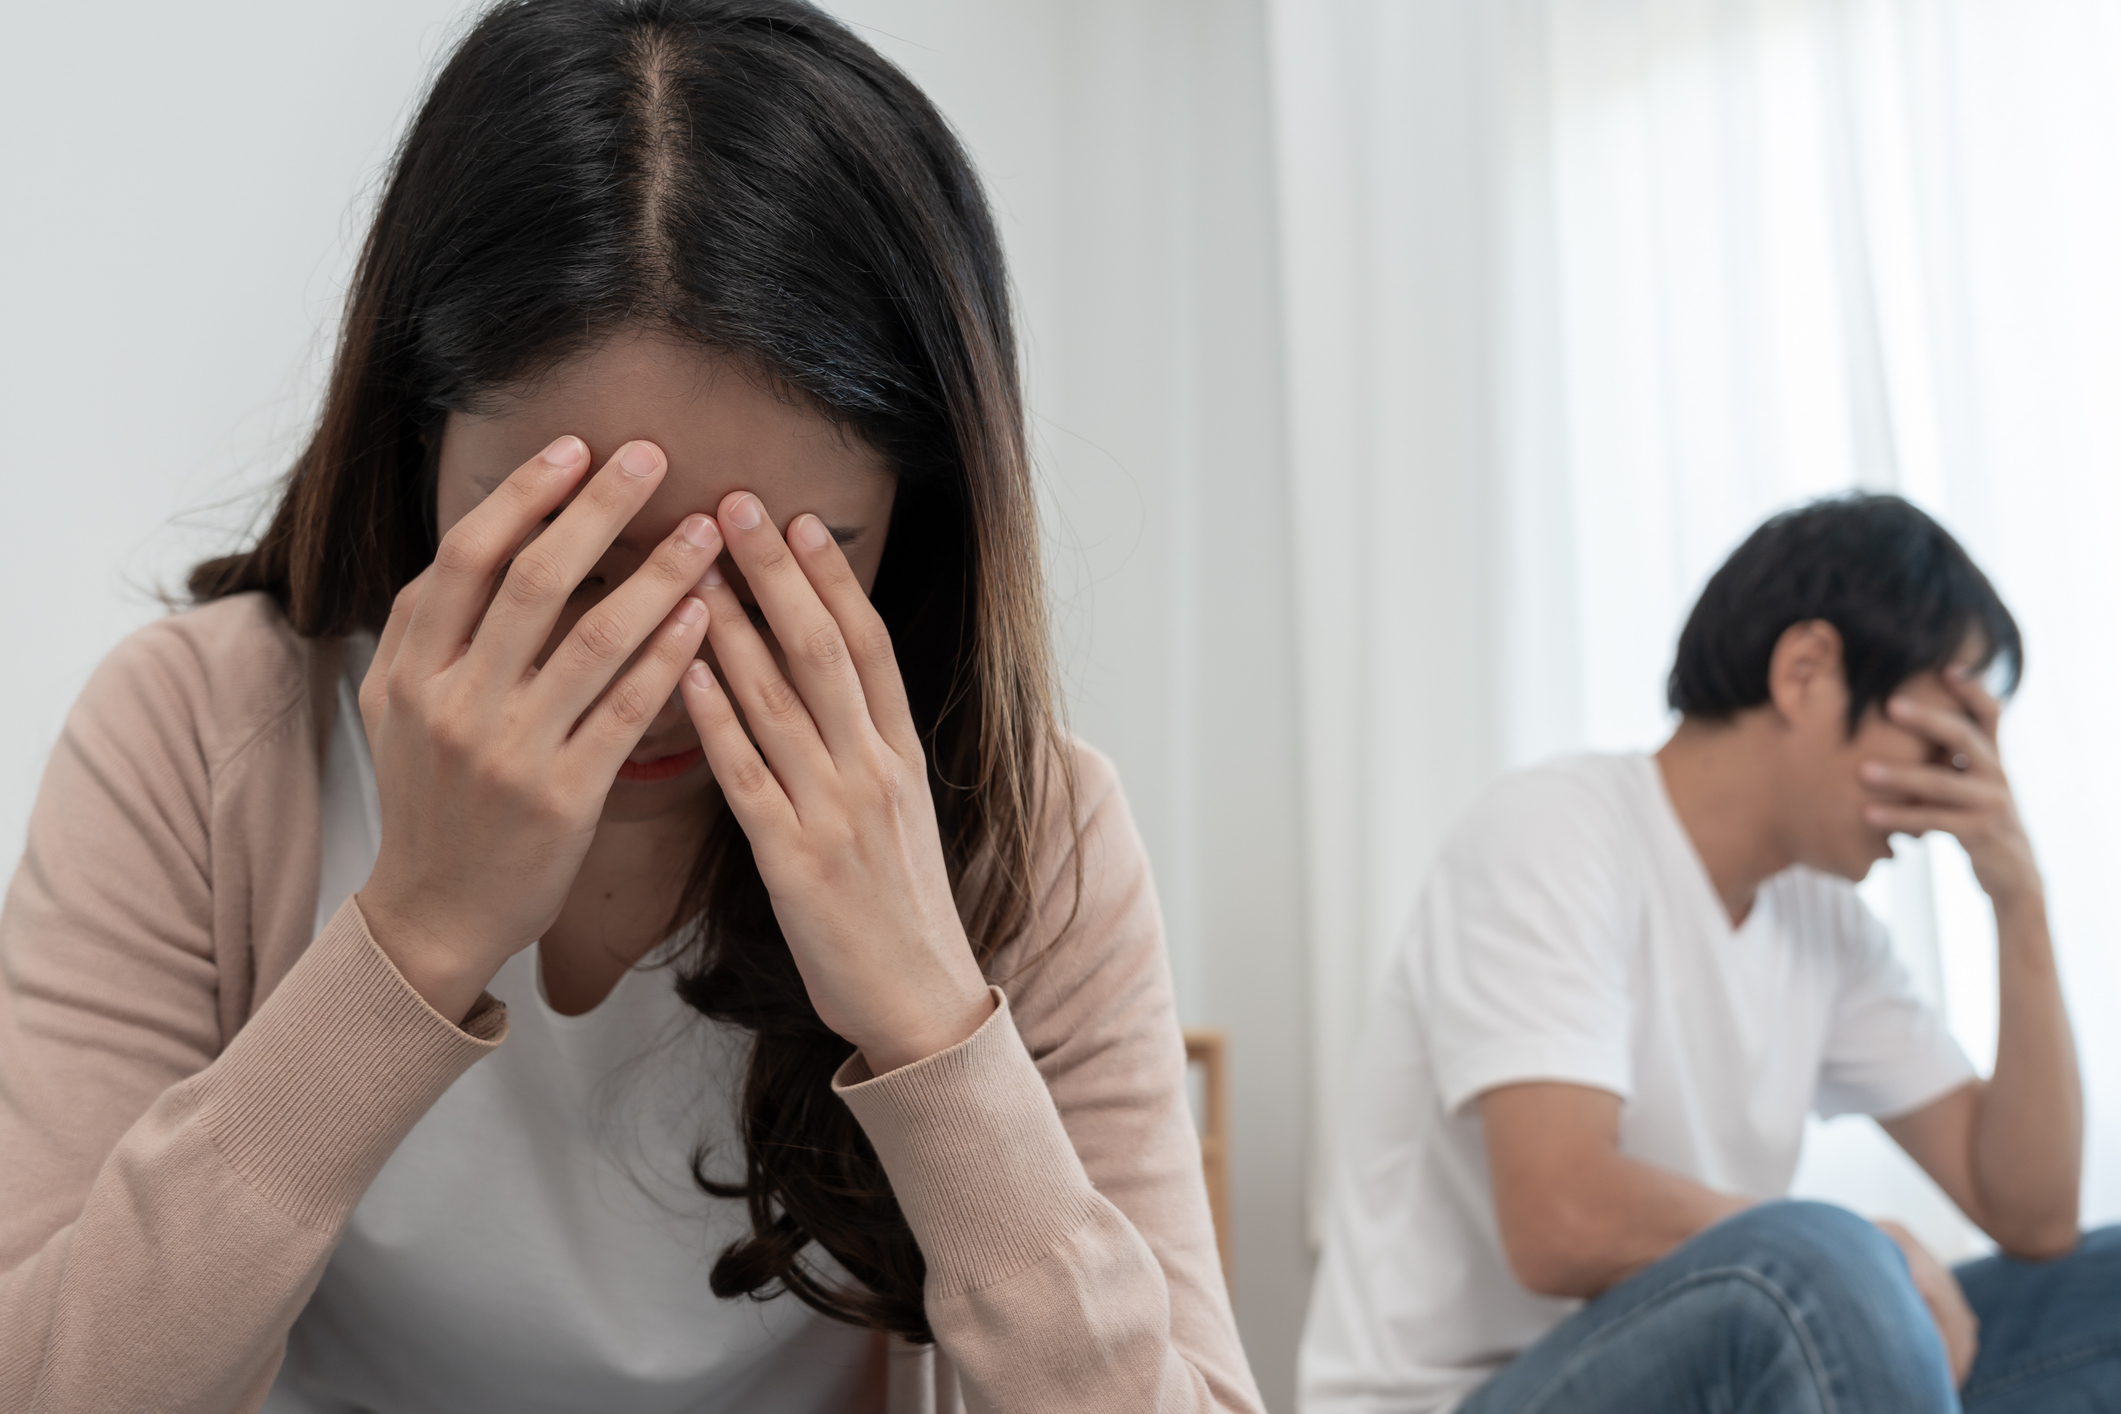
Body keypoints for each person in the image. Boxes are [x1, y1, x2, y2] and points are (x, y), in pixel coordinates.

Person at [0, 4, 1263, 1412]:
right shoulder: (199, 735)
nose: (655, 659)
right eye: (568, 556)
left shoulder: (1021, 826)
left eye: (780, 565)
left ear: (918, 513)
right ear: (418, 437)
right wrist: (409, 941)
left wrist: (930, 1022)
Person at [1298, 494, 2119, 1413]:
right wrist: (1865, 1253)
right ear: (1805, 670)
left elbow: (2033, 1216)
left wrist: (2020, 901)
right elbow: (1560, 1216)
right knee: (1829, 1259)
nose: (1957, 783)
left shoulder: (1822, 919)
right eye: (1939, 738)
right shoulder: (1555, 831)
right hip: (1464, 1399)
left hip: (1701, 1377)